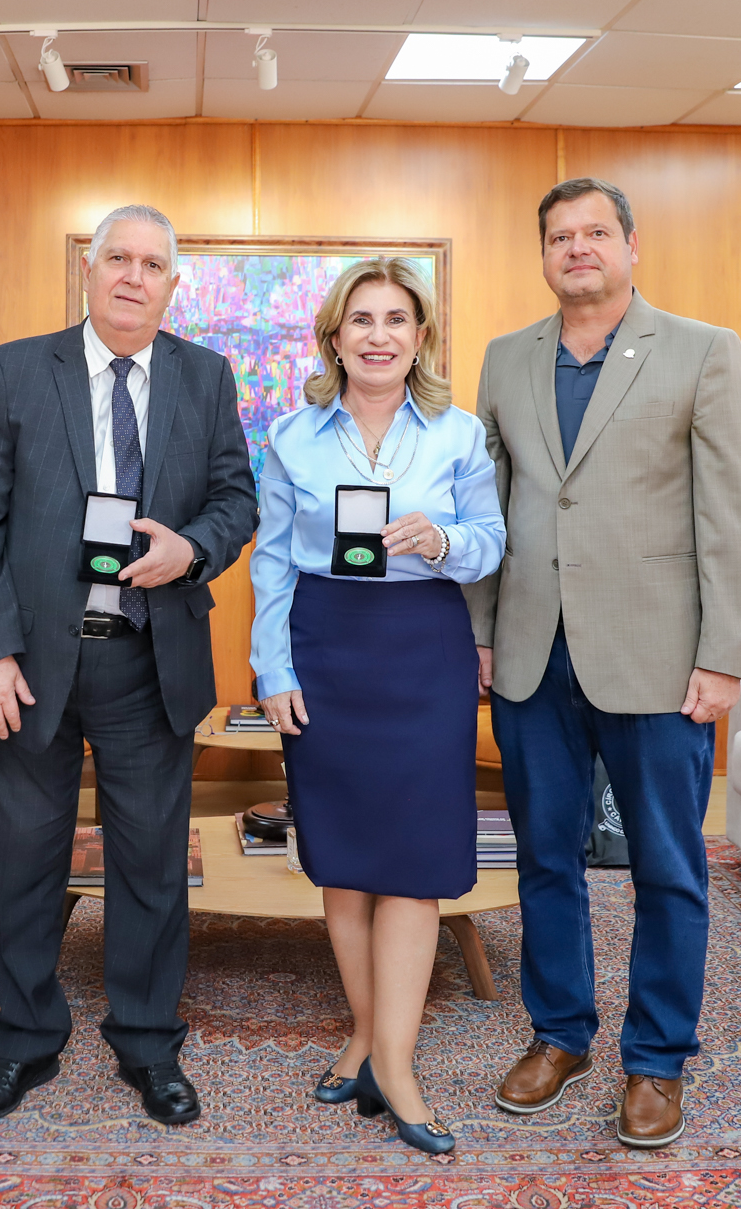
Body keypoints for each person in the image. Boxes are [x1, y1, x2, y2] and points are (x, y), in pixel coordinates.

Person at [0, 204, 258, 1126]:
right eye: (117, 258)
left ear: (172, 283)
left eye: (152, 263)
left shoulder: (205, 376)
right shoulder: (11, 371)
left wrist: (192, 549)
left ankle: (149, 1042)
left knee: (152, 862)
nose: (132, 275)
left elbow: (236, 498)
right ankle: (24, 1040)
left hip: (148, 657)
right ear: (89, 270)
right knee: (24, 859)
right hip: (33, 663)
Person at [466, 177, 741, 1149]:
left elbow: (730, 519)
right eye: (560, 236)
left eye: (596, 233)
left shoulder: (701, 352)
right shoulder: (507, 360)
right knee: (546, 860)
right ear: (543, 255)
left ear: (631, 247)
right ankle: (561, 1035)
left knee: (668, 868)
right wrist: (479, 630)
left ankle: (657, 1060)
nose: (578, 248)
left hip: (656, 659)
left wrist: (723, 658)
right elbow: (490, 507)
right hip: (530, 660)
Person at [250, 257, 504, 1156]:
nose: (379, 335)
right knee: (344, 860)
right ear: (334, 335)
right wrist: (271, 669)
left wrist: (444, 539)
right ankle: (363, 1036)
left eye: (398, 319)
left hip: (420, 649)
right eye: (361, 319)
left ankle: (395, 1063)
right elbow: (272, 561)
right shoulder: (290, 437)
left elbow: (491, 544)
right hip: (325, 647)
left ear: (420, 336)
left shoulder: (459, 433)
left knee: (412, 860)